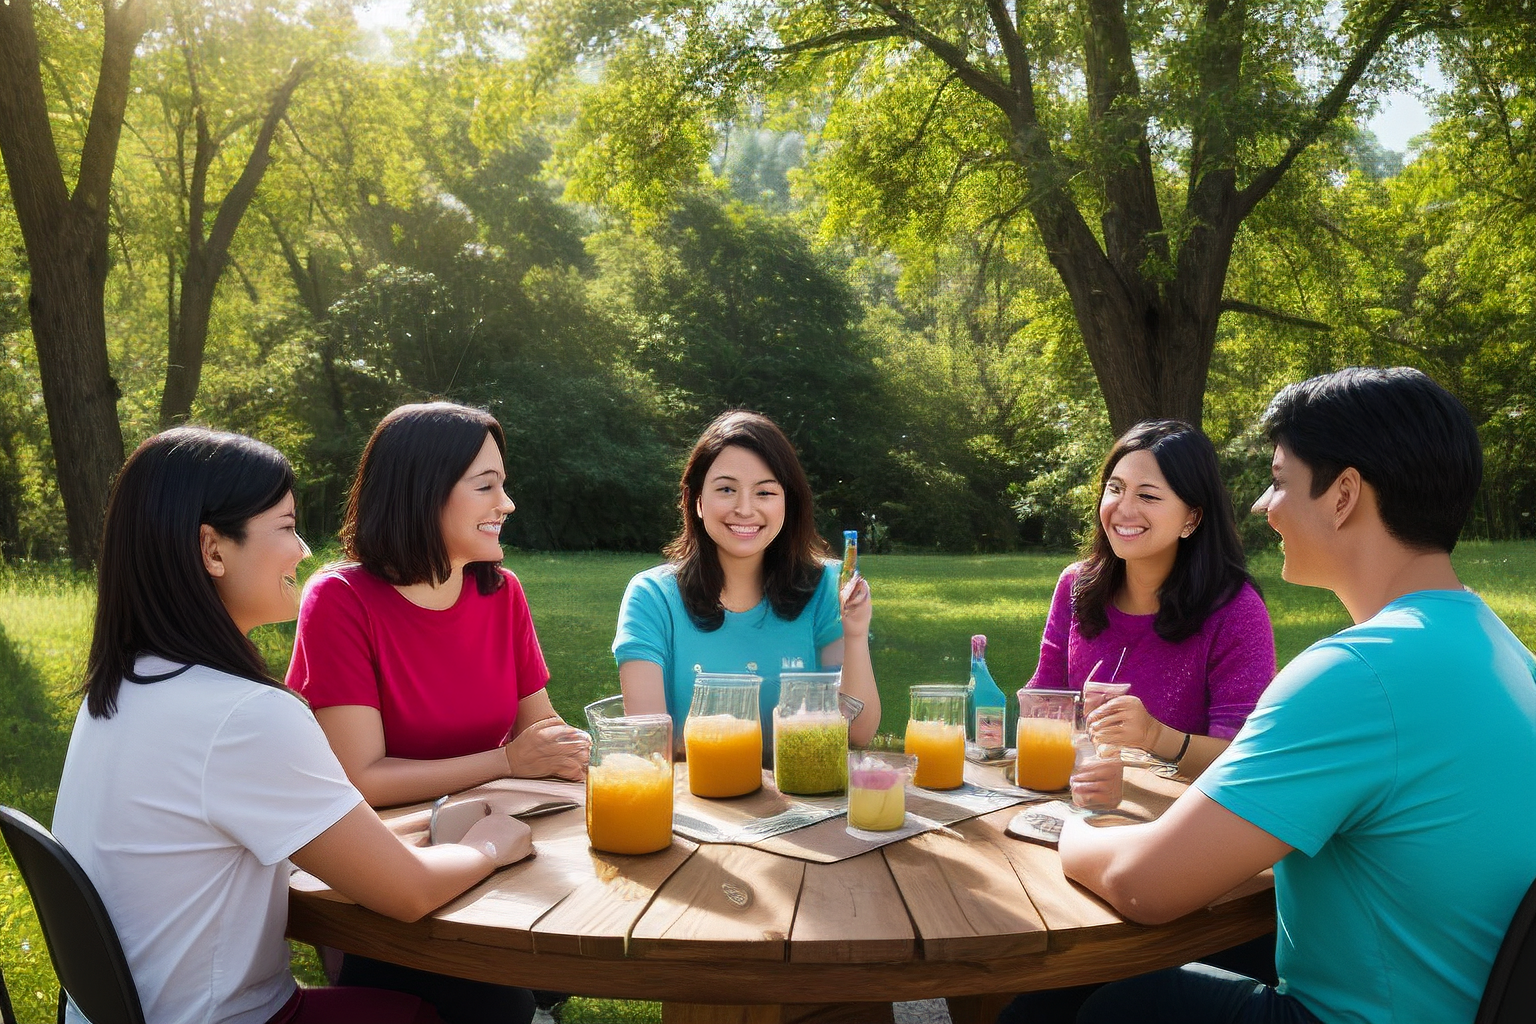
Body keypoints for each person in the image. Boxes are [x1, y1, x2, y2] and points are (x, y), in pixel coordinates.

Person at [1058, 367, 1536, 1024]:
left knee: (1102, 1003)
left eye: (1279, 481)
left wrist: (1072, 831)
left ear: (1344, 494)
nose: (1261, 505)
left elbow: (1145, 888)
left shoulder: (1359, 673)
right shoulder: (1506, 652)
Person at [51, 428, 532, 1024]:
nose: (304, 549)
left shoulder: (126, 687)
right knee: (483, 1007)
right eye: (284, 526)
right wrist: (489, 846)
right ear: (213, 549)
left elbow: (316, 841)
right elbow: (410, 892)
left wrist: (424, 830)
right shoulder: (243, 716)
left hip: (112, 1014)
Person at [287, 402, 588, 1023]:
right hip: (385, 872)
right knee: (494, 1004)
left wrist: (565, 751)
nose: (506, 503)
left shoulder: (500, 592)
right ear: (423, 493)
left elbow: (540, 727)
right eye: (487, 486)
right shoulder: (342, 599)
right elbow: (360, 779)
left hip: (489, 835)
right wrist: (505, 760)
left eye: (503, 485)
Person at [1023, 420, 1275, 785]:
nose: (1123, 510)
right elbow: (1043, 700)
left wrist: (1154, 736)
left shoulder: (1236, 611)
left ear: (1192, 518)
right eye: (1116, 489)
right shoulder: (1075, 586)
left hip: (1180, 820)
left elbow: (1244, 757)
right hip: (1077, 801)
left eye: (1148, 495)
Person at [613, 409, 881, 752]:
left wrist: (855, 635)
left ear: (788, 502)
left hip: (808, 798)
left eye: (764, 493)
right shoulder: (652, 598)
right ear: (696, 500)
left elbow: (856, 734)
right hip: (696, 800)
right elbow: (649, 745)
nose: (744, 509)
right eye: (726, 489)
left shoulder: (827, 587)